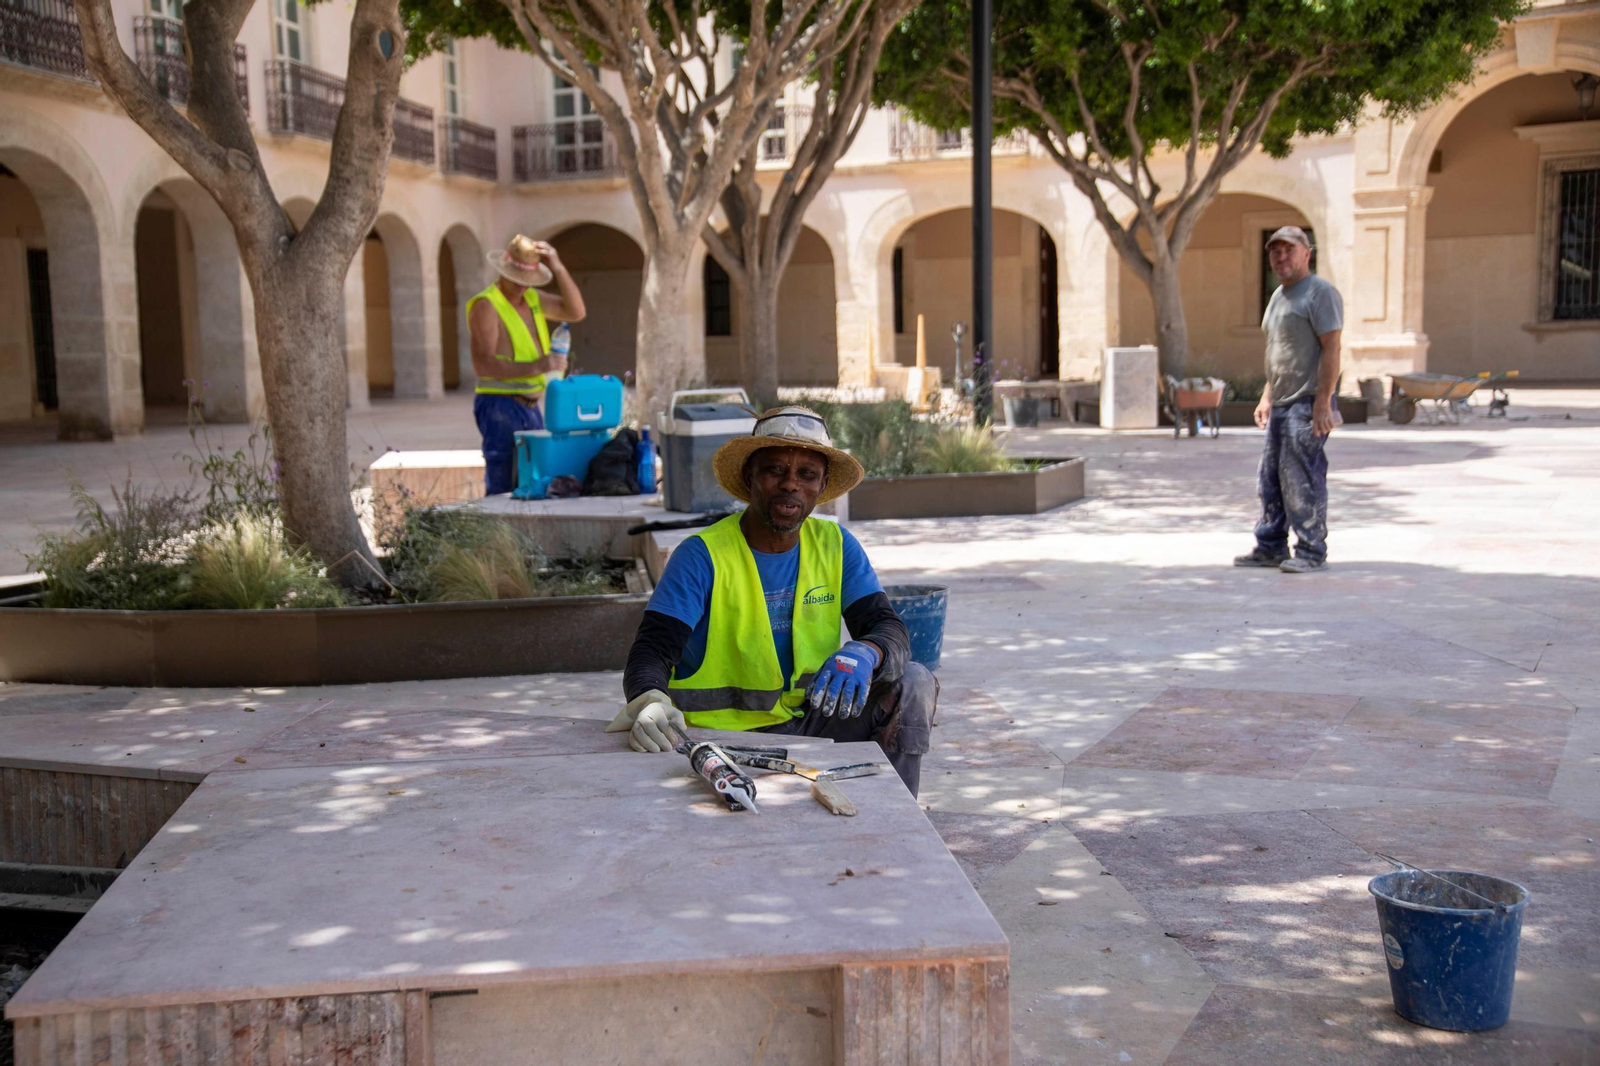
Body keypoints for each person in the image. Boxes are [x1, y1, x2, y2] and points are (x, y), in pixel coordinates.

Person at [608, 407, 937, 796]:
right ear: (750, 477)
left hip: (811, 722)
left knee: (914, 681)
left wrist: (867, 652)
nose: (790, 485)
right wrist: (651, 700)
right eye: (775, 470)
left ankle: (898, 814)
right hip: (719, 740)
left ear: (822, 484)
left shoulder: (835, 546)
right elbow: (651, 650)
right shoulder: (702, 555)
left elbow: (888, 628)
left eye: (807, 474)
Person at [1234, 225, 1343, 574]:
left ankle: (1311, 550)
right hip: (1282, 403)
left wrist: (1323, 403)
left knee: (1302, 479)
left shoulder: (1319, 293)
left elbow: (1332, 349)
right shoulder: (1279, 296)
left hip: (1307, 402)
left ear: (1306, 253)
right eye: (1275, 251)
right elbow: (1278, 352)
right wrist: (1267, 396)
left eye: (1288, 250)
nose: (1281, 257)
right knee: (1270, 478)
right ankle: (1270, 546)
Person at [468, 233, 587, 495]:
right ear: (503, 272)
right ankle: (498, 535)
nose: (523, 286)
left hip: (531, 406)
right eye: (518, 280)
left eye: (528, 281)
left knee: (531, 484)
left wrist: (557, 266)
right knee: (503, 484)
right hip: (500, 404)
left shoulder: (532, 298)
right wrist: (537, 366)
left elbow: (576, 312)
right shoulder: (487, 306)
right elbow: (483, 366)